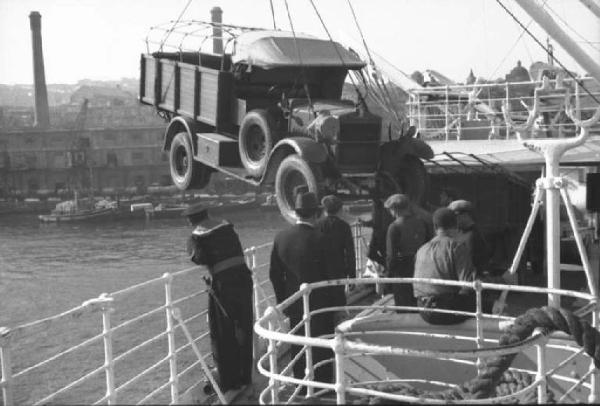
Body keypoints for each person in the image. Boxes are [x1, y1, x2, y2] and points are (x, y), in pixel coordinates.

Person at [183, 204, 253, 392]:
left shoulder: (197, 236)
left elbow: (200, 258)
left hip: (224, 285)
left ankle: (229, 381)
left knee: (223, 332)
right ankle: (245, 375)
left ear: (191, 220)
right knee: (244, 326)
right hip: (244, 278)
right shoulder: (227, 227)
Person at [269, 192, 335, 384]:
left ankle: (301, 382)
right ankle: (323, 384)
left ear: (296, 213)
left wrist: (284, 302)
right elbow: (333, 275)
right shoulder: (322, 238)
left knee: (298, 344)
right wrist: (339, 305)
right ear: (315, 214)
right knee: (322, 345)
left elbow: (274, 275)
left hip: (295, 302)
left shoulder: (281, 237)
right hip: (322, 304)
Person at [413, 208, 490, 325]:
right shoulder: (456, 247)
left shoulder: (421, 249)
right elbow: (468, 285)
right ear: (456, 225)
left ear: (435, 227)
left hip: (422, 309)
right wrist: (502, 280)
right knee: (488, 303)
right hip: (444, 311)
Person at [384, 194, 430, 309]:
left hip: (402, 270)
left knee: (403, 306)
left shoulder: (394, 227)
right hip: (421, 266)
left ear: (395, 210)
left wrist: (387, 277)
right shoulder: (422, 223)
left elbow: (391, 256)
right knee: (419, 304)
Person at [315, 195, 356, 315]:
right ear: (340, 209)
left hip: (320, 271)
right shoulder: (344, 226)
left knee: (322, 304)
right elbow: (350, 253)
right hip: (338, 271)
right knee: (338, 303)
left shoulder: (316, 225)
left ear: (324, 209)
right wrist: (352, 277)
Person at [448, 200, 490, 278]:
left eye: (455, 216)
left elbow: (469, 263)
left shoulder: (474, 235)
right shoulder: (461, 233)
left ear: (466, 215)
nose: (453, 220)